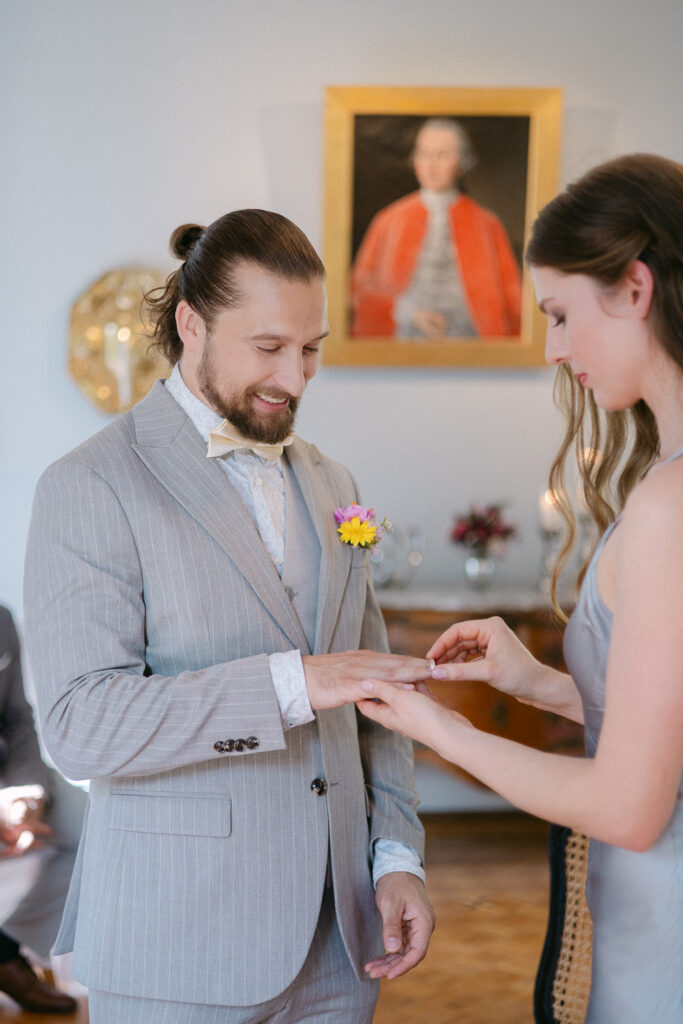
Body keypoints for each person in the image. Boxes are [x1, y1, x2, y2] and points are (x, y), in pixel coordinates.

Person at [23, 209, 435, 1023]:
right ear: (191, 325)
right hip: (177, 941)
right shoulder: (90, 483)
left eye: (312, 349)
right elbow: (78, 727)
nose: (297, 376)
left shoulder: (332, 478)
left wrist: (396, 856)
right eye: (269, 347)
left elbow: (373, 694)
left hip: (340, 946)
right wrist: (291, 684)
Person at [357, 154, 683, 1023]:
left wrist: (442, 731)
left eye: (560, 314)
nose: (552, 349)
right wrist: (533, 683)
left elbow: (628, 805)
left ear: (635, 288)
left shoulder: (667, 507)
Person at [350, 117, 522, 339]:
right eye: (424, 154)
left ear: (461, 162)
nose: (431, 165)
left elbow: (512, 302)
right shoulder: (389, 219)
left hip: (470, 349)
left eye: (442, 155)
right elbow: (361, 288)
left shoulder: (487, 224)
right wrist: (407, 311)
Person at [0, 604, 85, 1015]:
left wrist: (23, 796)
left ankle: (7, 949)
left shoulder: (0, 618)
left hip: (8, 776)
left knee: (100, 828)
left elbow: (17, 719)